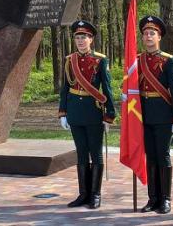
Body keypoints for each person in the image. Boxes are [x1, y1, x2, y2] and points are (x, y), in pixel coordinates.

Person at [58, 19, 115, 209]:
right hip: (75, 111)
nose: (81, 41)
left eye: (84, 37)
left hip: (93, 111)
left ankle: (95, 195)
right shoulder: (69, 60)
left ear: (91, 39)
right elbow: (65, 88)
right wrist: (63, 112)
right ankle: (83, 194)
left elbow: (107, 89)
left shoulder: (100, 60)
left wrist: (109, 116)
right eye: (78, 37)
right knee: (81, 154)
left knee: (95, 153)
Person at [136, 15, 173, 214]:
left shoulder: (169, 61)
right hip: (143, 115)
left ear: (159, 37)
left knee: (163, 156)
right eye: (145, 33)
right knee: (150, 157)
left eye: (152, 33)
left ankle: (165, 199)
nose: (148, 37)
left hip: (163, 114)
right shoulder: (137, 60)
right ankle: (152, 198)